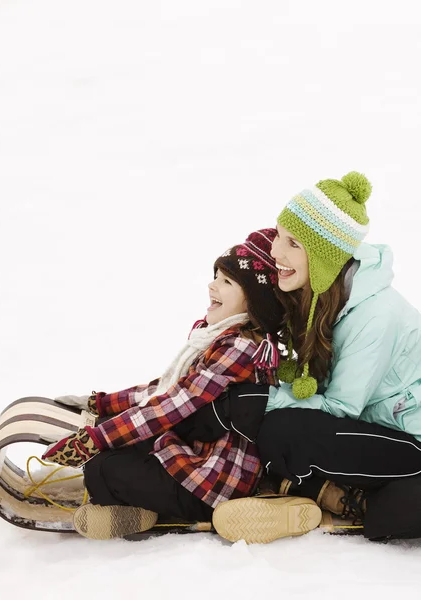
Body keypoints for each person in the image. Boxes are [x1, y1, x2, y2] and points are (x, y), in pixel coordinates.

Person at [42, 229, 322, 542]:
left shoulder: (240, 347)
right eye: (216, 276)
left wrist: (94, 440)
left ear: (254, 303)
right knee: (113, 448)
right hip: (193, 454)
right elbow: (166, 388)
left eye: (227, 282)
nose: (212, 285)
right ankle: (138, 511)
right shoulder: (216, 334)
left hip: (210, 482)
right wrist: (104, 405)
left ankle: (153, 506)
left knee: (102, 466)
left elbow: (173, 404)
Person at [212, 171, 421, 543]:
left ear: (325, 256)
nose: (276, 251)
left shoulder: (376, 316)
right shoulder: (318, 291)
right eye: (278, 235)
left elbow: (341, 409)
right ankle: (322, 494)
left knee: (284, 428)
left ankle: (337, 498)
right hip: (375, 432)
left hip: (410, 441)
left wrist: (268, 399)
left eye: (292, 243)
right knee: (268, 422)